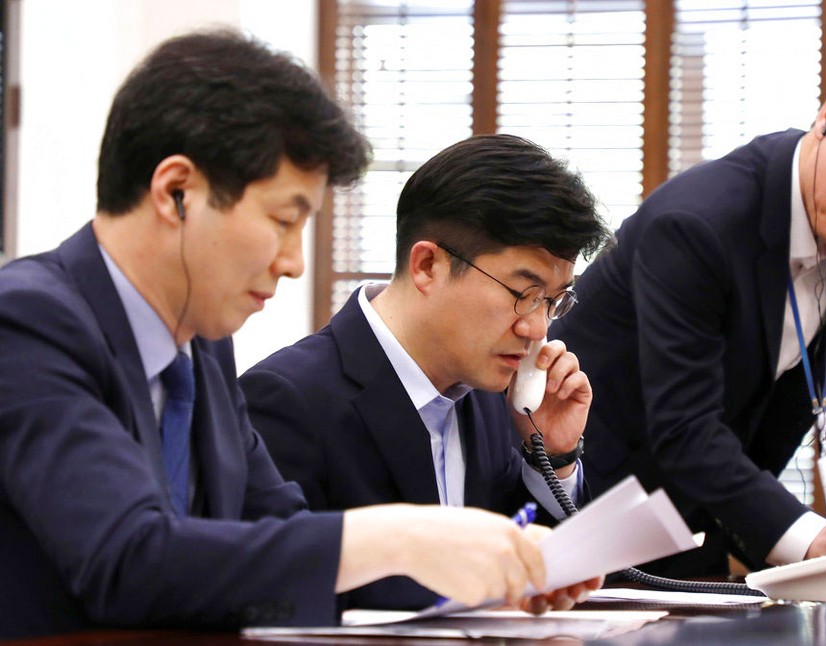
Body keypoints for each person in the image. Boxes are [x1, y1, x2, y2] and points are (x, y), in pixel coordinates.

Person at [0, 30, 576, 639]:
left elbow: (278, 537)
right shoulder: (29, 322)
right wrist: (403, 534)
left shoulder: (202, 345)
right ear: (177, 192)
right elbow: (127, 558)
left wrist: (500, 570)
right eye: (283, 220)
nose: (294, 261)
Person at [550, 55, 826, 578]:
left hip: (698, 510)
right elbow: (684, 426)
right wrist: (809, 536)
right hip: (596, 511)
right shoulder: (698, 223)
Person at [240, 133, 613, 610]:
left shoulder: (487, 391)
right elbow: (278, 594)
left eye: (554, 301)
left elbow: (533, 569)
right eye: (524, 293)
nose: (536, 327)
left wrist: (552, 455)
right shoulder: (287, 398)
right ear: (427, 265)